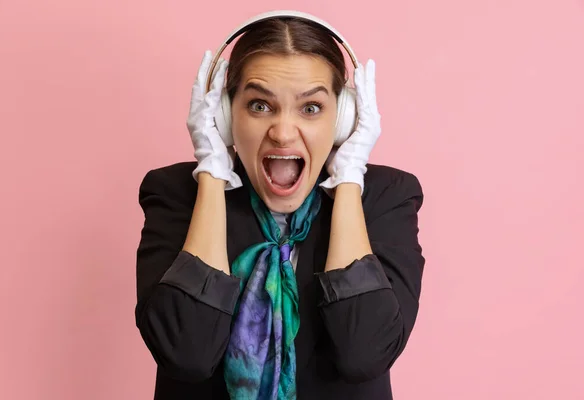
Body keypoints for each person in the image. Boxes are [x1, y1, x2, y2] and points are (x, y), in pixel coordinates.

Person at [135, 11, 425, 400]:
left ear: (343, 119)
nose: (283, 132)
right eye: (259, 106)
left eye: (311, 108)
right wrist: (210, 173)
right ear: (224, 113)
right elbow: (186, 353)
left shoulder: (387, 197)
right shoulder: (175, 194)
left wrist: (349, 181)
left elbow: (365, 353)